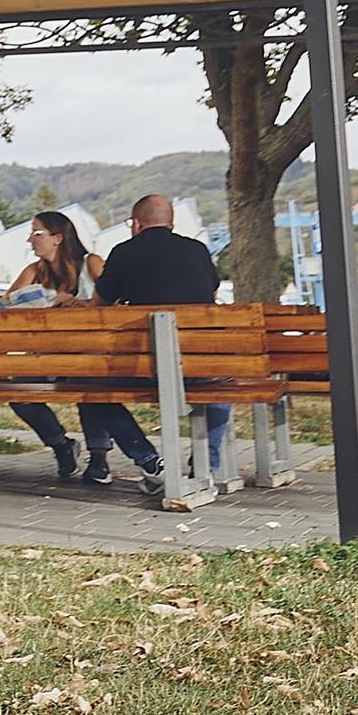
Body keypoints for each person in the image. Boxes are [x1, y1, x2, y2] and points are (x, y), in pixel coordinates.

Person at [88, 193, 228, 496]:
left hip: (144, 370)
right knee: (223, 385)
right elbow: (211, 295)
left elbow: (99, 305)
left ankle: (149, 460)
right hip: (200, 365)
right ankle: (206, 464)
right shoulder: (198, 250)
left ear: (137, 224)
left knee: (89, 389)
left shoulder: (123, 252)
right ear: (171, 223)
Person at [0, 209, 95, 481]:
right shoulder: (34, 271)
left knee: (91, 390)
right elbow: (4, 307)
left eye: (36, 233)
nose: (30, 240)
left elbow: (112, 302)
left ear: (58, 238)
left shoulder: (90, 264)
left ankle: (99, 457)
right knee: (20, 393)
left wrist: (77, 303)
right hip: (45, 353)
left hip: (86, 354)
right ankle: (60, 444)